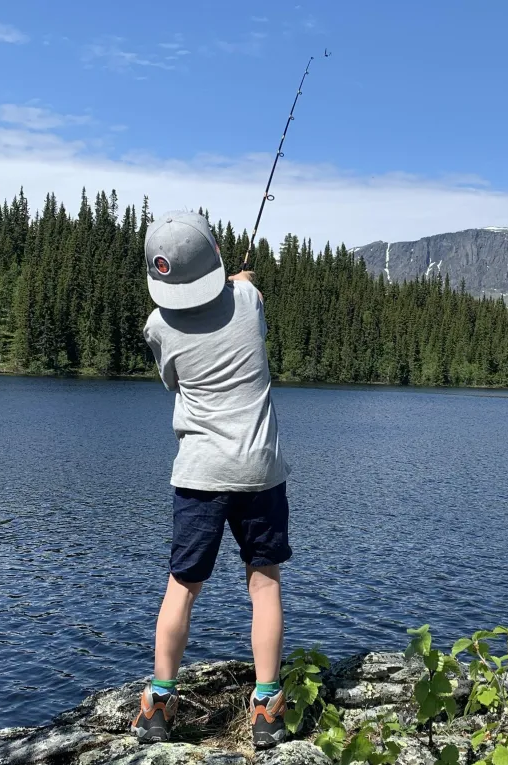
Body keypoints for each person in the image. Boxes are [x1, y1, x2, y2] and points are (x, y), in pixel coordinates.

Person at [130, 210, 292, 749]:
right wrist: (237, 282)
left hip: (199, 473)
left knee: (182, 587)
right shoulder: (250, 301)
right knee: (263, 583)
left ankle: (157, 703)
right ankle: (266, 707)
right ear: (217, 257)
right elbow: (244, 296)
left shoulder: (157, 326)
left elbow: (172, 380)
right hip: (259, 470)